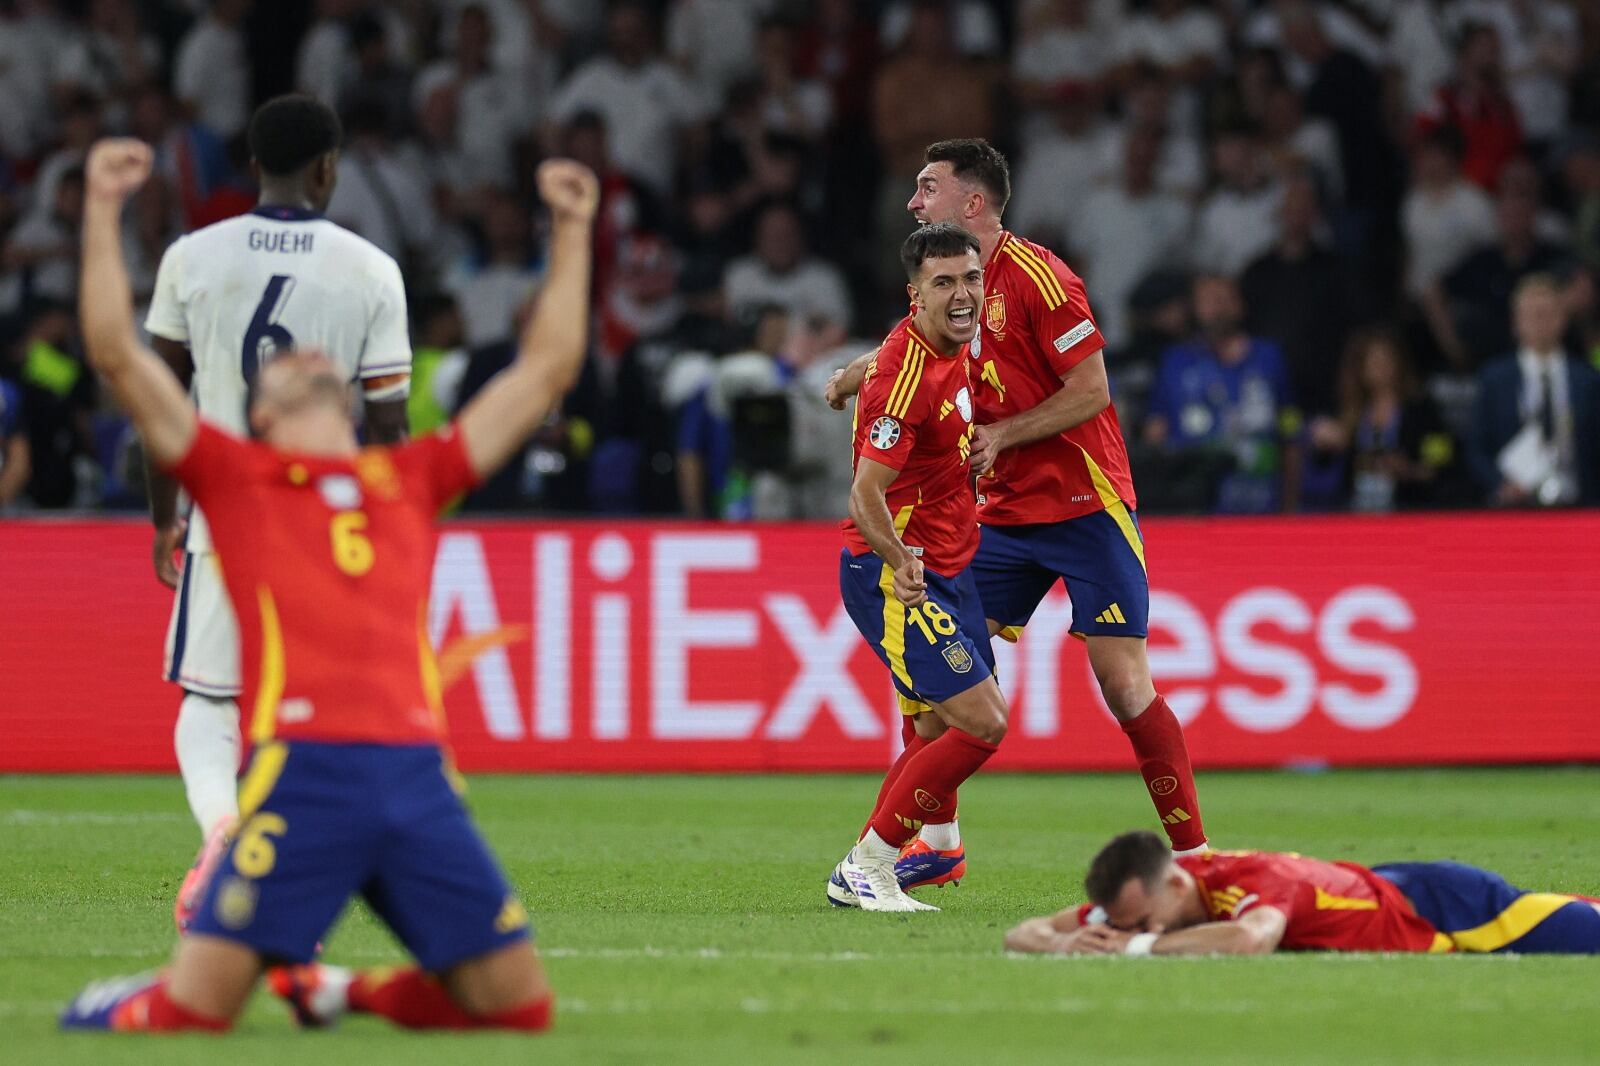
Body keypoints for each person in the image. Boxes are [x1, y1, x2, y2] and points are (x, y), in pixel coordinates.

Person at [60, 137, 599, 1032]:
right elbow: (118, 353)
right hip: (304, 775)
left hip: (416, 775)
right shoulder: (236, 479)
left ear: (348, 396)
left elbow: (547, 370)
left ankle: (335, 990)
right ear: (261, 413)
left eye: (320, 356)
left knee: (519, 1006)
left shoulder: (412, 476)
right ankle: (110, 1006)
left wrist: (573, 229)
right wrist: (102, 207)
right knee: (196, 1013)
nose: (307, 354)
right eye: (285, 363)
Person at [827, 139, 1210, 895]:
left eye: (928, 187)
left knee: (1124, 686)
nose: (914, 202)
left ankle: (1197, 858)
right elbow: (918, 349)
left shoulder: (1041, 277)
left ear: (972, 202)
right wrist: (853, 374)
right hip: (999, 515)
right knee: (939, 689)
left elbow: (1093, 389)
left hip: (1083, 505)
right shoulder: (952, 280)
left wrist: (1004, 434)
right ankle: (935, 844)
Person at [141, 95, 416, 933]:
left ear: (254, 167)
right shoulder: (371, 269)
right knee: (326, 705)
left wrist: (164, 516)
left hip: (230, 511)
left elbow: (160, 407)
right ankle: (311, 869)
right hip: (330, 523)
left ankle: (224, 830)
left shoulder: (191, 257)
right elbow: (390, 424)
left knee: (211, 695)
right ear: (329, 168)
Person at [826, 223, 1001, 914]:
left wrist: (846, 376)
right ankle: (867, 864)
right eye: (943, 283)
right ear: (916, 295)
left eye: (970, 279)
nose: (962, 295)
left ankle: (918, 852)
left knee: (934, 732)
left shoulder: (950, 338)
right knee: (983, 722)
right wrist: (901, 563)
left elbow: (887, 352)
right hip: (895, 572)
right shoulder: (906, 381)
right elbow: (864, 495)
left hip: (951, 563)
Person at [1003, 829, 1600, 956]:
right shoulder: (1147, 896)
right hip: (1381, 885)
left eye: (1142, 922)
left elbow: (1250, 940)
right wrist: (1066, 944)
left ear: (1178, 883)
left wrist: (1135, 949)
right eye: (1127, 925)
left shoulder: (1259, 885)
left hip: (1445, 907)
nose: (1140, 930)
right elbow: (1021, 933)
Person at [1466, 273, 1600, 507]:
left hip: (1580, 506)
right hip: (1515, 506)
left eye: (1547, 313)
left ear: (1563, 319)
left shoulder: (1587, 380)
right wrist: (1501, 484)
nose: (1540, 323)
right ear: (1516, 322)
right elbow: (1476, 447)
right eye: (1532, 315)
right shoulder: (1495, 379)